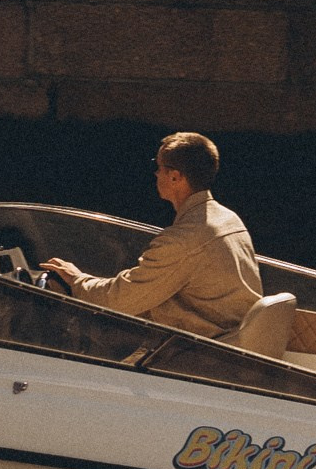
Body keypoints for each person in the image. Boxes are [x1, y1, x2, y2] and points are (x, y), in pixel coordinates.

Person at [40, 132, 262, 340]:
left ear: (175, 177)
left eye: (159, 167)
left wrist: (77, 280)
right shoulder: (229, 219)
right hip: (228, 338)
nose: (155, 173)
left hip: (199, 354)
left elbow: (120, 301)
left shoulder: (183, 240)